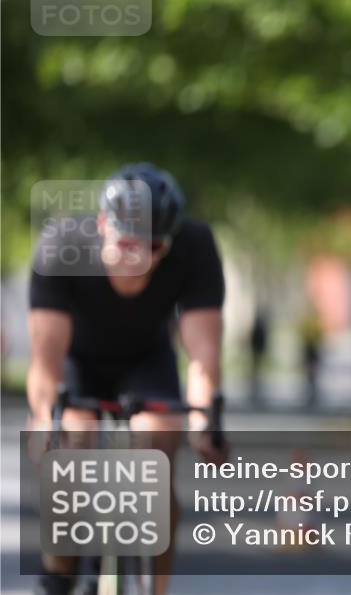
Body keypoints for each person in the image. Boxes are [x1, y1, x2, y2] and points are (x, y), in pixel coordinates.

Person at [27, 163, 227, 595]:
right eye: (128, 243)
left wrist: (205, 423)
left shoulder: (194, 246)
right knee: (72, 445)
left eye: (155, 248)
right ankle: (59, 572)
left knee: (156, 447)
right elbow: (46, 358)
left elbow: (202, 355)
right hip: (76, 363)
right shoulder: (61, 245)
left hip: (146, 361)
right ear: (103, 225)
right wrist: (47, 420)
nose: (140, 258)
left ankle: (154, 587)